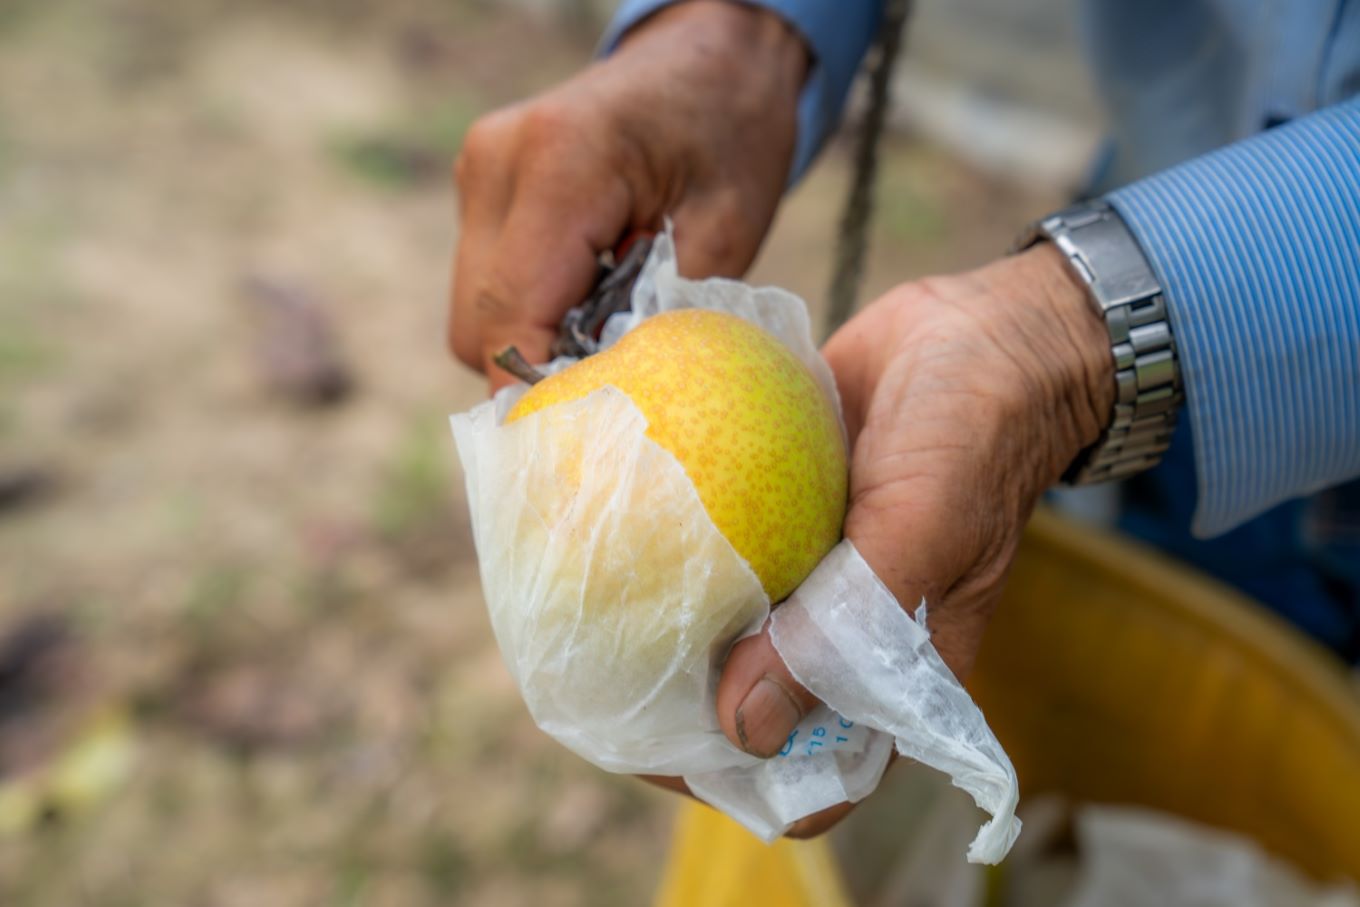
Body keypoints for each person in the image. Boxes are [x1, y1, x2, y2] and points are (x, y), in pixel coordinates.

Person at [448, 0, 1360, 835]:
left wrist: (1066, 337)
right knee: (1159, 760)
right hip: (1168, 246)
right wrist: (749, 32)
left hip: (1170, 285)